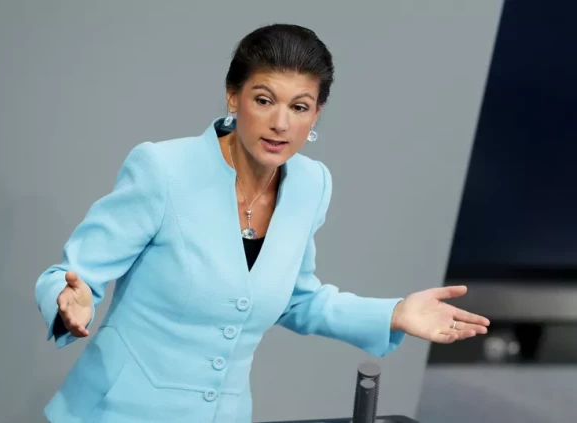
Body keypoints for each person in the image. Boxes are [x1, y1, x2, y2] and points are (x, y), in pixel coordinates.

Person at [34, 23, 489, 423]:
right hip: (118, 411)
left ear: (316, 114)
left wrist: (394, 313)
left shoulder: (312, 184)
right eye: (264, 100)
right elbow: (70, 275)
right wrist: (69, 299)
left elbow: (296, 298)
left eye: (299, 106)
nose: (280, 123)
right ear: (233, 96)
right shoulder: (163, 169)